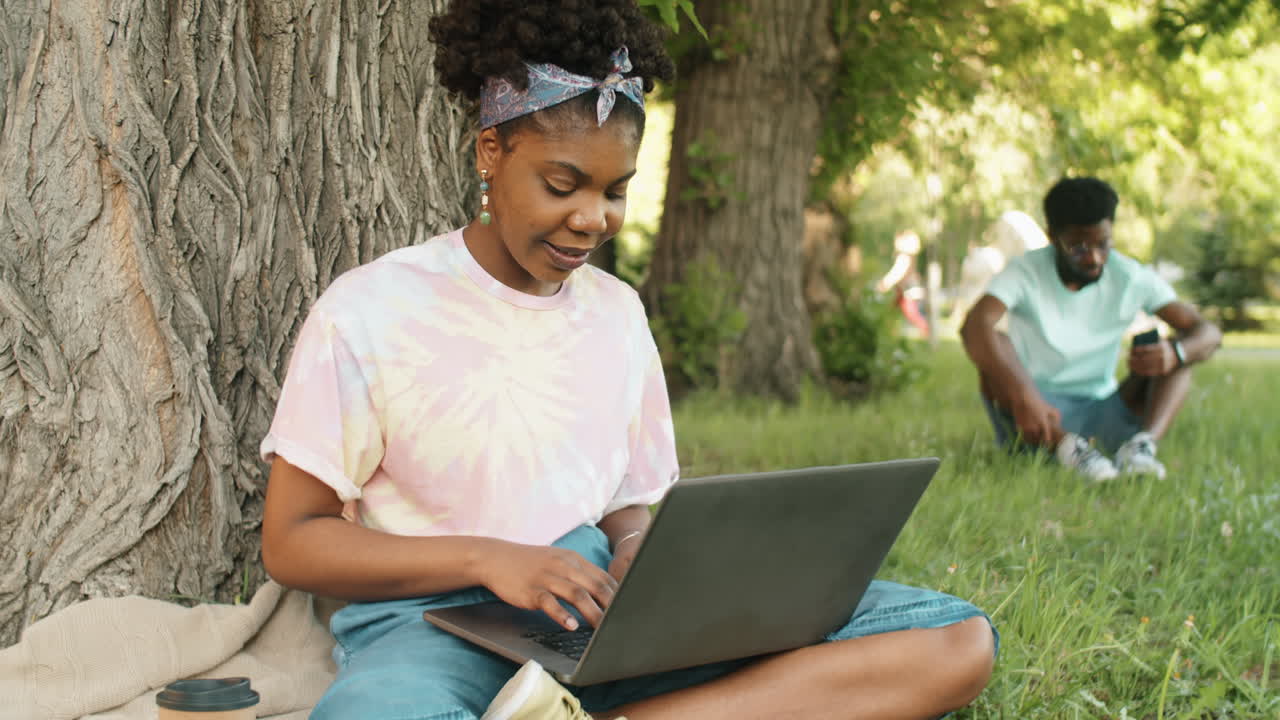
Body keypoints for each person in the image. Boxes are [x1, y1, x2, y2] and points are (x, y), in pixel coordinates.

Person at [259, 2, 996, 719]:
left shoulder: (616, 312)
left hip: (604, 618)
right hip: (435, 626)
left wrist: (639, 552)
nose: (592, 220)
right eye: (562, 184)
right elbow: (293, 543)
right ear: (491, 152)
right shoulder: (370, 311)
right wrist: (490, 560)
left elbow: (627, 503)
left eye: (617, 192)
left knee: (955, 640)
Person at [960, 177, 1222, 481]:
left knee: (1180, 353)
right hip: (1037, 415)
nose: (1094, 257)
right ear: (1052, 237)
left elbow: (1208, 332)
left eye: (1102, 243)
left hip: (1103, 408)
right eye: (1078, 247)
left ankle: (1140, 447)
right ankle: (1069, 448)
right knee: (995, 350)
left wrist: (1175, 353)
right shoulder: (1026, 271)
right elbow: (974, 326)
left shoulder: (1129, 276)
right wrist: (1023, 395)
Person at [876, 230, 931, 337]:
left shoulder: (904, 258)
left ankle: (926, 333)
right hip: (903, 290)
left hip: (907, 290)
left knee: (912, 313)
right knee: (893, 312)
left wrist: (885, 283)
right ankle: (889, 333)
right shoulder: (908, 257)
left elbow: (897, 273)